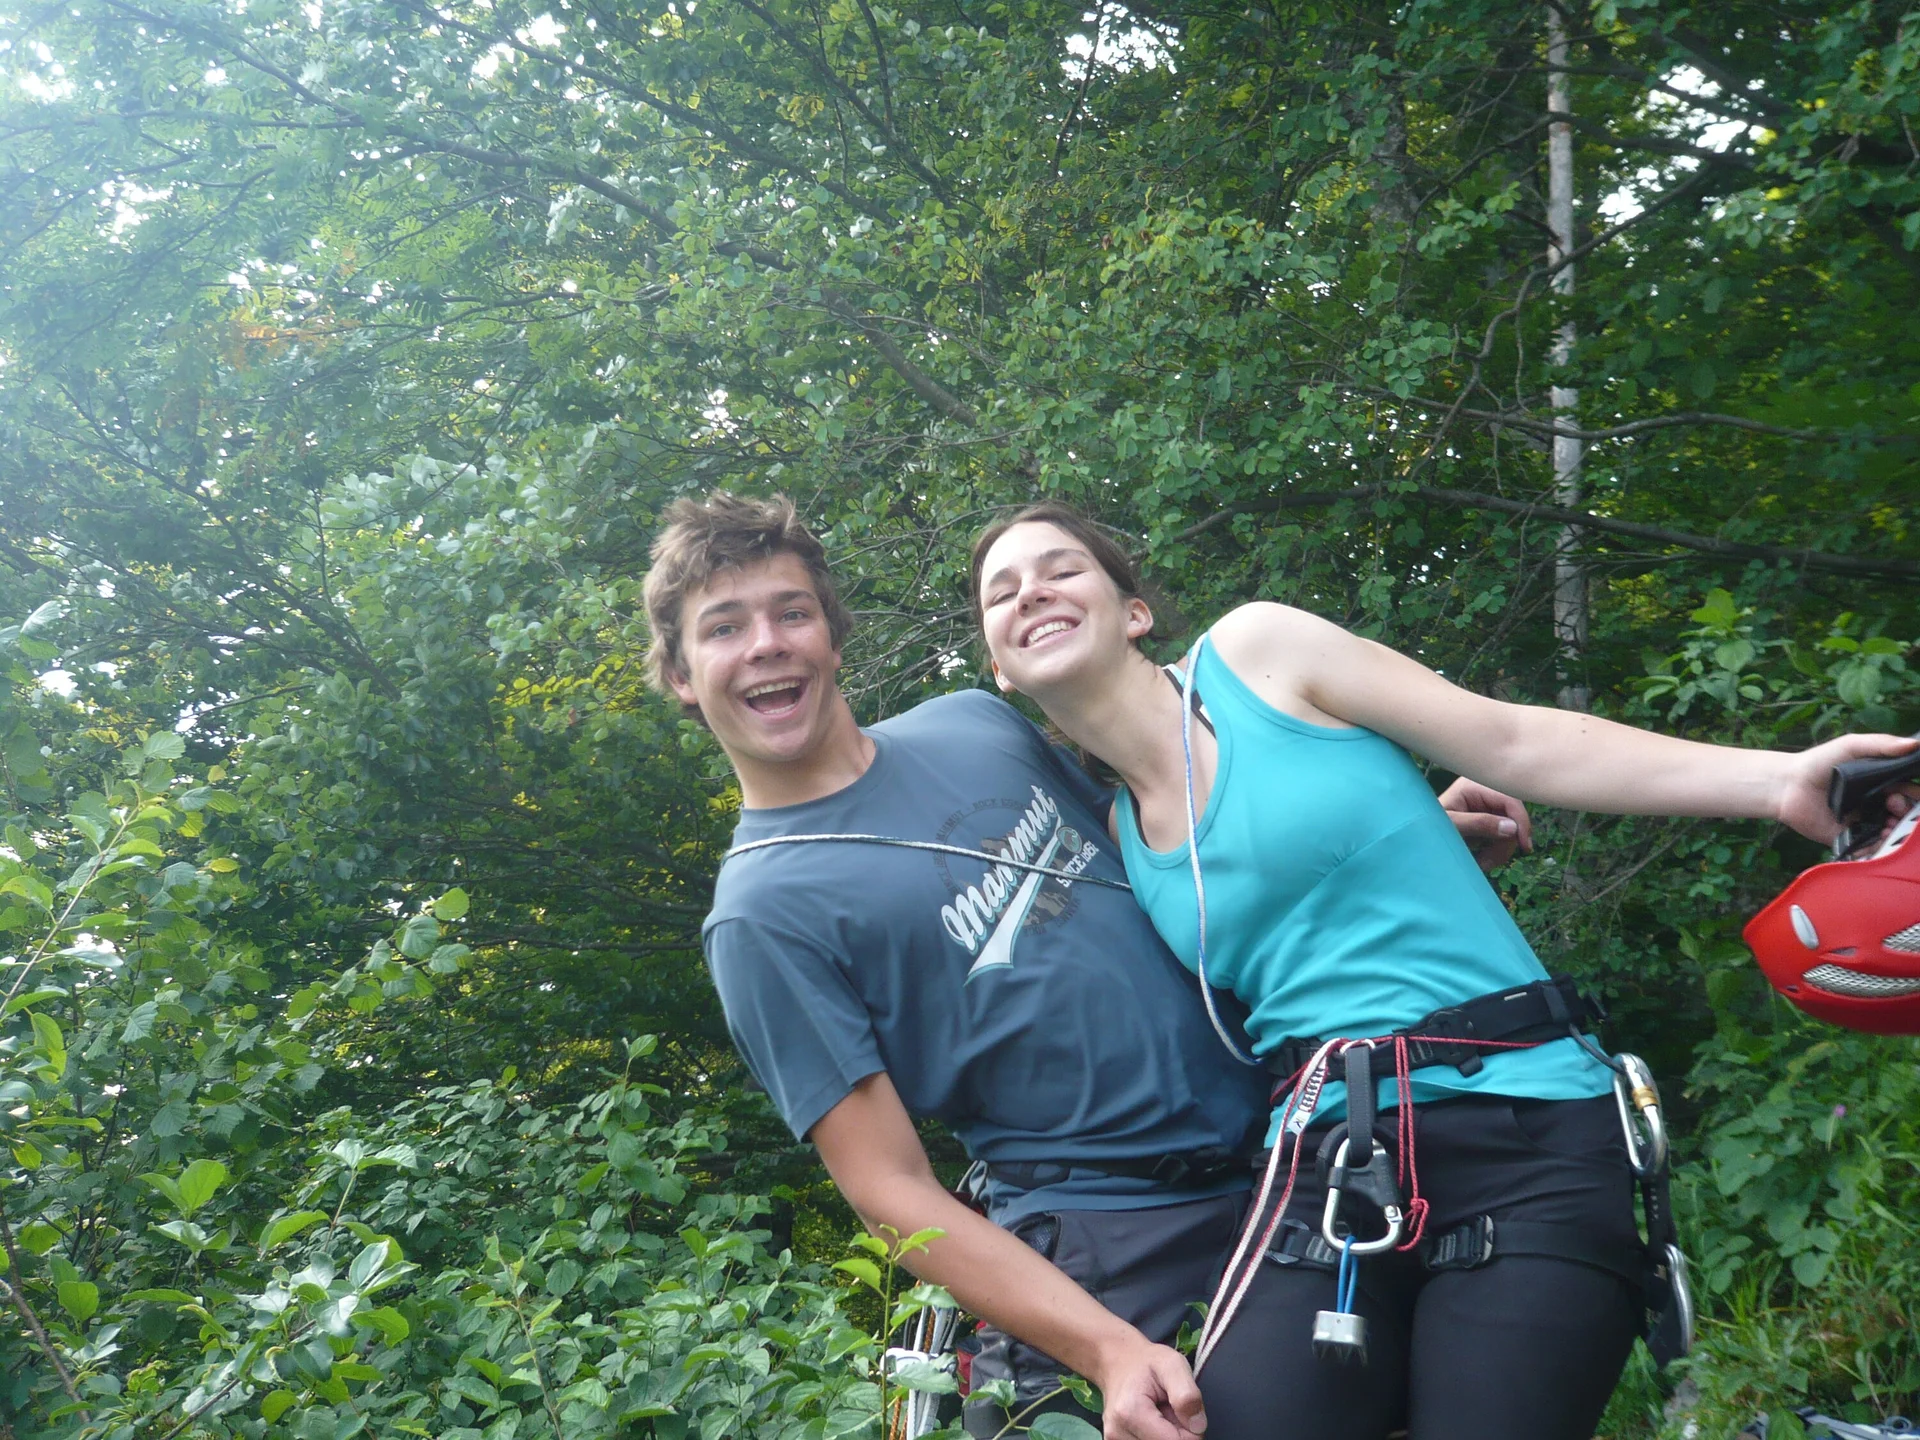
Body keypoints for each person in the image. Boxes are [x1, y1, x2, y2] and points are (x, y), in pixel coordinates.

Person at [970, 500, 1919, 1440]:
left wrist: (1778, 781)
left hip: (1527, 1126)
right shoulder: (1116, 841)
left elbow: (1510, 740)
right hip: (1327, 1170)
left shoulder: (1257, 654)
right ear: (999, 670)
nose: (1033, 594)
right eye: (1001, 592)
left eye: (1060, 568)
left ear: (1133, 610)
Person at [642, 491, 1530, 1440]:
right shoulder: (760, 914)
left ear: (832, 636)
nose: (766, 643)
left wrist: (1379, 838)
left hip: (1293, 1166)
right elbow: (889, 1191)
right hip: (1104, 1245)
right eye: (724, 628)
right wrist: (1105, 1348)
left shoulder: (973, 724)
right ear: (684, 676)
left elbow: (1172, 852)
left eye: (792, 611)